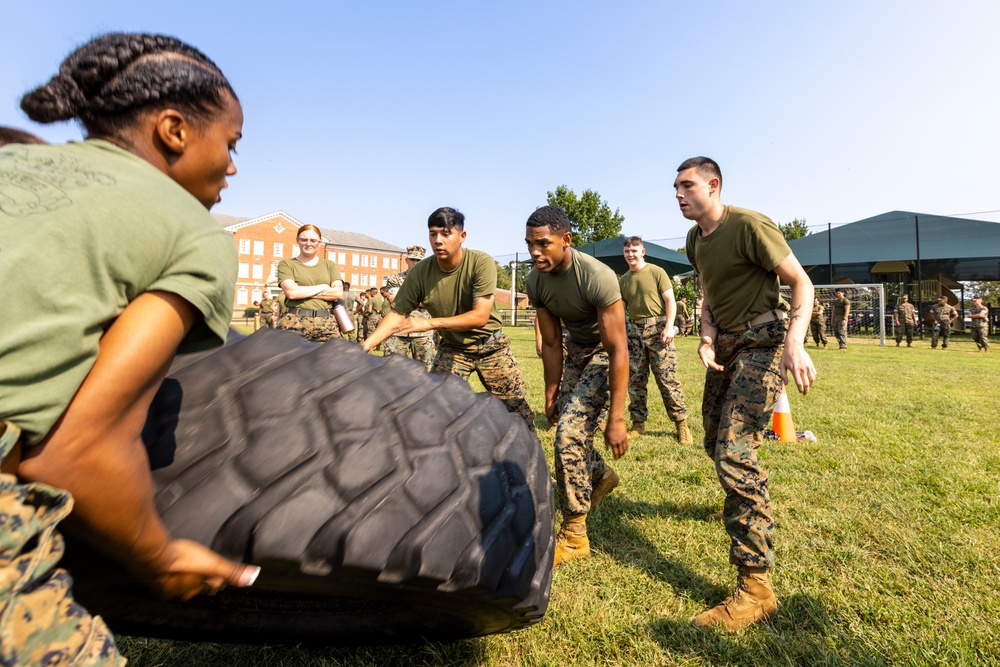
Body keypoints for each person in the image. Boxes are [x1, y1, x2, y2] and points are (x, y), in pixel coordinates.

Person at [0, 33, 260, 665]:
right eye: (229, 143)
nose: (233, 166)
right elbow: (73, 450)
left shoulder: (13, 162)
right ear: (173, 129)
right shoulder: (189, 231)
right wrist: (160, 556)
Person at [676, 156, 815, 631]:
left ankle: (756, 589)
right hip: (726, 346)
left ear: (713, 186)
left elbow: (801, 282)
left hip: (763, 342)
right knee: (716, 436)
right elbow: (708, 292)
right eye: (675, 187)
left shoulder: (750, 225)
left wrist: (793, 344)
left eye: (687, 185)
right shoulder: (695, 239)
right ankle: (738, 498)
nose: (678, 194)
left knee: (735, 453)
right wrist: (708, 334)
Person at [363, 207, 536, 432]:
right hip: (453, 348)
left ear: (462, 236)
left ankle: (532, 461)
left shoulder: (480, 263)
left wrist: (428, 323)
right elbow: (397, 314)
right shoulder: (420, 273)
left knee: (518, 413)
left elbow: (480, 316)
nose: (438, 240)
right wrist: (367, 344)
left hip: (490, 347)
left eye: (446, 233)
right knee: (436, 409)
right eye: (433, 234)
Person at [525, 206, 629, 567]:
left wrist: (616, 418)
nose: (535, 252)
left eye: (543, 244)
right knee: (568, 428)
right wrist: (551, 393)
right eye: (529, 245)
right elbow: (552, 343)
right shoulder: (535, 280)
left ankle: (575, 535)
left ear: (566, 240)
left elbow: (618, 349)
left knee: (568, 433)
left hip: (607, 352)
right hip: (577, 351)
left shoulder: (597, 276)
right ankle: (600, 474)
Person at [618, 236, 691, 445]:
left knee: (667, 380)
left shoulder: (657, 272)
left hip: (659, 331)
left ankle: (681, 424)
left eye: (634, 250)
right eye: (627, 251)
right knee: (635, 381)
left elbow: (670, 300)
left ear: (643, 251)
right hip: (634, 333)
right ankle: (638, 424)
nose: (630, 255)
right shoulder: (623, 280)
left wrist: (669, 327)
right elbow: (622, 309)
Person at [275, 225, 345, 342]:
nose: (308, 244)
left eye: (313, 240)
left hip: (327, 324)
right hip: (294, 323)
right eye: (304, 240)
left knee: (329, 359)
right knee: (292, 360)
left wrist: (301, 291)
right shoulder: (287, 265)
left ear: (319, 242)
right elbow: (291, 293)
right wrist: (323, 287)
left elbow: (338, 293)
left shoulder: (329, 265)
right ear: (297, 240)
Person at [383, 246, 437, 370]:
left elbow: (432, 301)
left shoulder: (430, 280)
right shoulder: (395, 279)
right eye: (413, 259)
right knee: (392, 370)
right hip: (398, 330)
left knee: (427, 372)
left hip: (423, 332)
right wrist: (421, 300)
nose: (415, 263)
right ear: (407, 260)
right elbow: (393, 299)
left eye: (419, 260)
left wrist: (406, 298)